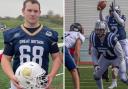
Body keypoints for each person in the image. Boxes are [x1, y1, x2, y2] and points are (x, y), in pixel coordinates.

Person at [1, 0, 62, 89]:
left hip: (40, 82)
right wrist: (11, 76)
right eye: (29, 10)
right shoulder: (13, 34)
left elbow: (57, 57)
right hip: (18, 83)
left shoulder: (49, 34)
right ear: (23, 11)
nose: (32, 14)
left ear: (39, 13)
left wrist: (52, 75)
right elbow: (5, 59)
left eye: (35, 11)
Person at [99, 2, 128, 88]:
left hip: (122, 41)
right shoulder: (108, 18)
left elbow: (120, 22)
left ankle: (124, 73)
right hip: (114, 42)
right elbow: (101, 20)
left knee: (126, 57)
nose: (111, 12)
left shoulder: (122, 17)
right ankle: (114, 82)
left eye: (113, 11)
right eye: (110, 11)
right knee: (114, 60)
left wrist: (114, 12)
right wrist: (100, 11)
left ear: (117, 11)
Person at [90, 20, 124, 89]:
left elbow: (120, 55)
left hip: (116, 58)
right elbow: (93, 53)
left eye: (101, 30)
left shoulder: (111, 38)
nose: (98, 32)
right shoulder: (93, 37)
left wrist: (116, 66)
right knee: (96, 75)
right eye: (97, 30)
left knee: (123, 78)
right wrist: (96, 64)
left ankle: (114, 82)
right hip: (105, 58)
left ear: (105, 30)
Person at [65, 23, 85, 89]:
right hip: (64, 48)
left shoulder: (67, 33)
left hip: (58, 47)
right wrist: (77, 65)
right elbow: (77, 52)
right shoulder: (79, 35)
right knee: (74, 70)